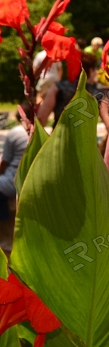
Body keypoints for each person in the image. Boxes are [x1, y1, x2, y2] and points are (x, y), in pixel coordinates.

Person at [36, 52, 109, 128]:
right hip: (85, 139)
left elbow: (42, 117)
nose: (96, 73)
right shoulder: (98, 93)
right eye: (95, 70)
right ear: (91, 70)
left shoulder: (58, 86)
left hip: (60, 137)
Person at [0, 104, 31, 254]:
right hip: (26, 181)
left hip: (10, 183)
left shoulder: (16, 132)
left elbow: (4, 163)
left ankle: (5, 238)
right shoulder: (39, 130)